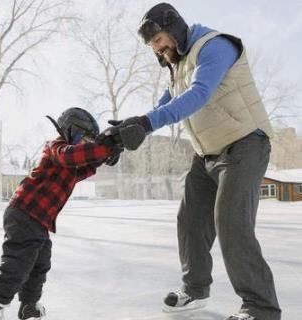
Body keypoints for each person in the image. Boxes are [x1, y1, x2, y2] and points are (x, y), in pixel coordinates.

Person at [106, 3, 281, 320]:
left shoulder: (215, 46)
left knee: (231, 224)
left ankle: (261, 307)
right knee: (190, 221)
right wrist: (122, 132)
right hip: (207, 153)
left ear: (174, 29)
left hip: (245, 144)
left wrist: (146, 123)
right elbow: (164, 105)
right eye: (152, 46)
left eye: (158, 40)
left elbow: (199, 94)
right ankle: (195, 289)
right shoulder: (177, 66)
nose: (157, 49)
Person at [0, 107, 122, 320]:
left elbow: (86, 166)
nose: (86, 145)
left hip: (38, 220)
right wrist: (103, 147)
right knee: (19, 260)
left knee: (40, 264)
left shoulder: (73, 162)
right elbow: (73, 157)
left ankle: (29, 305)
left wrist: (111, 148)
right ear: (71, 130)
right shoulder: (57, 147)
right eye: (84, 139)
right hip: (25, 212)